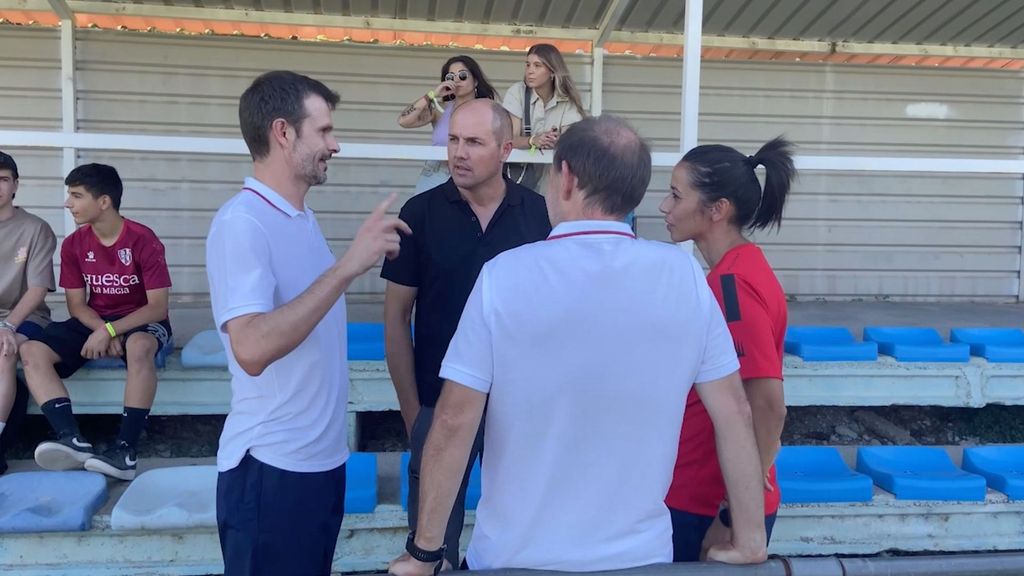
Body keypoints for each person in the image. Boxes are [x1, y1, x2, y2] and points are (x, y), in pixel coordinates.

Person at [389, 116, 768, 575]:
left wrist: (425, 553)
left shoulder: (505, 276)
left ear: (565, 177)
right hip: (639, 559)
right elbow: (736, 411)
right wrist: (749, 538)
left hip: (517, 558)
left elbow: (453, 420)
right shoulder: (684, 277)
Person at [206, 70, 411, 576]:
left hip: (319, 465)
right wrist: (347, 266)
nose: (334, 144)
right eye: (323, 131)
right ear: (283, 132)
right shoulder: (243, 224)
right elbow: (250, 348)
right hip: (271, 472)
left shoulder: (300, 218)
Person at [382, 98, 550, 569]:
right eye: (453, 140)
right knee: (430, 548)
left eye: (474, 142)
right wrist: (414, 412)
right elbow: (396, 318)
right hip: (440, 407)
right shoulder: (420, 213)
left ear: (506, 150)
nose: (458, 152)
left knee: (523, 544)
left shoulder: (541, 217)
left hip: (522, 409)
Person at [661, 137, 795, 562]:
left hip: (705, 504)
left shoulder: (733, 286)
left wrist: (734, 515)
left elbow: (768, 405)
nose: (664, 206)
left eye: (676, 195)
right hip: (701, 496)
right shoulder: (733, 273)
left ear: (717, 210)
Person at [20, 163, 172, 482]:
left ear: (103, 202)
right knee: (33, 350)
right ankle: (71, 440)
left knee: (140, 345)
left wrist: (111, 330)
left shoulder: (143, 239)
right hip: (95, 319)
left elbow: (157, 307)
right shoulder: (75, 244)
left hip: (139, 320)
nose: (67, 203)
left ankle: (125, 451)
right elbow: (76, 303)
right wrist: (100, 327)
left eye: (76, 196)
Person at [0, 150, 57, 475]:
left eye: (3, 179)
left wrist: (7, 324)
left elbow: (37, 289)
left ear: (15, 184)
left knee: (4, 350)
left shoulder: (36, 229)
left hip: (26, 317)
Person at [398, 55, 498, 194]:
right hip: (437, 173)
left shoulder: (488, 110)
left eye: (462, 75)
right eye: (451, 77)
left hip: (472, 174)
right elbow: (404, 121)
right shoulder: (440, 109)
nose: (456, 80)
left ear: (475, 81)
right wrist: (432, 94)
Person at [501, 43, 587, 191]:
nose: (530, 71)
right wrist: (533, 140)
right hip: (520, 179)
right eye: (527, 65)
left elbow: (573, 142)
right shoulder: (517, 93)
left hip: (553, 180)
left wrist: (557, 141)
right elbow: (508, 139)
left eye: (537, 66)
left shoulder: (568, 101)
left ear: (552, 71)